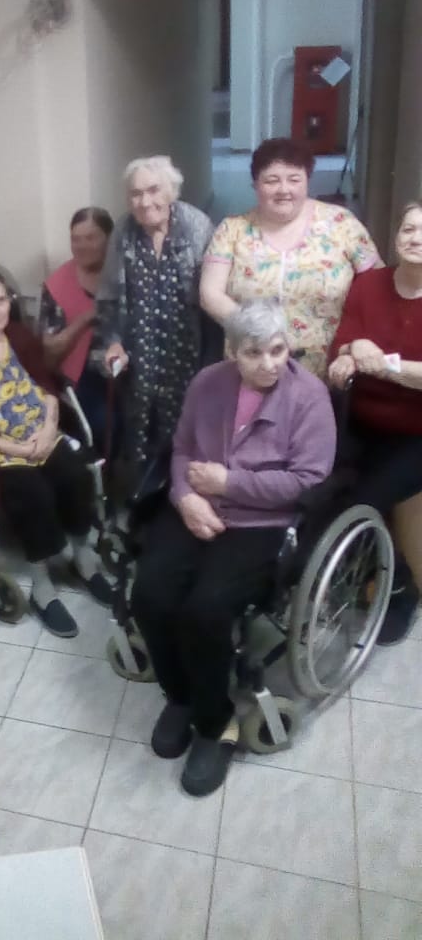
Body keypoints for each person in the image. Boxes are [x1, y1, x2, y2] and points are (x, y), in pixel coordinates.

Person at [131, 300, 335, 797]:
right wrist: (184, 497)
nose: (268, 363)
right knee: (149, 594)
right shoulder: (208, 382)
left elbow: (309, 479)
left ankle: (214, 722)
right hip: (196, 505)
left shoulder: (309, 397)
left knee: (204, 610)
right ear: (232, 351)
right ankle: (180, 695)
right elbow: (182, 447)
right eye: (253, 353)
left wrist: (229, 483)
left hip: (261, 521)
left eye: (277, 350)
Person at [0, 269, 108, 638]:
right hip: (1, 450)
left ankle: (83, 558)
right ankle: (42, 586)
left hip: (42, 433)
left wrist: (48, 429)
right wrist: (23, 449)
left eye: (1, 300)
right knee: (33, 494)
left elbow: (46, 385)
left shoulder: (18, 335)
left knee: (76, 474)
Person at [200, 136, 380, 379]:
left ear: (307, 181)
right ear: (255, 185)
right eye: (271, 181)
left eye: (294, 179)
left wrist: (357, 343)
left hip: (326, 369)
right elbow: (210, 295)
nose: (283, 190)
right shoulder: (232, 230)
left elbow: (376, 288)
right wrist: (261, 333)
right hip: (252, 367)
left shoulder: (341, 223)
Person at [327, 200, 422, 642]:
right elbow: (342, 345)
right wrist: (349, 354)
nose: (415, 238)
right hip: (359, 420)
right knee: (320, 488)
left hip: (415, 434)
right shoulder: (369, 284)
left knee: (364, 501)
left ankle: (402, 590)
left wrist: (382, 363)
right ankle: (348, 572)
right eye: (408, 229)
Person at [97, 156, 215, 485]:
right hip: (140, 354)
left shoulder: (198, 227)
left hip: (188, 352)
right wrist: (113, 341)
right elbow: (108, 297)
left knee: (188, 428)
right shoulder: (124, 231)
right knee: (138, 426)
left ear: (172, 191)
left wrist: (212, 362)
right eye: (135, 193)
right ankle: (141, 493)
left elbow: (215, 296)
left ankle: (180, 493)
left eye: (153, 190)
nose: (145, 201)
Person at [40, 207, 114, 449]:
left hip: (126, 369)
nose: (81, 246)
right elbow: (48, 357)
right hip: (80, 377)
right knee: (105, 423)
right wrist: (85, 320)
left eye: (90, 238)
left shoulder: (123, 274)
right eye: (75, 239)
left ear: (109, 238)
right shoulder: (57, 285)